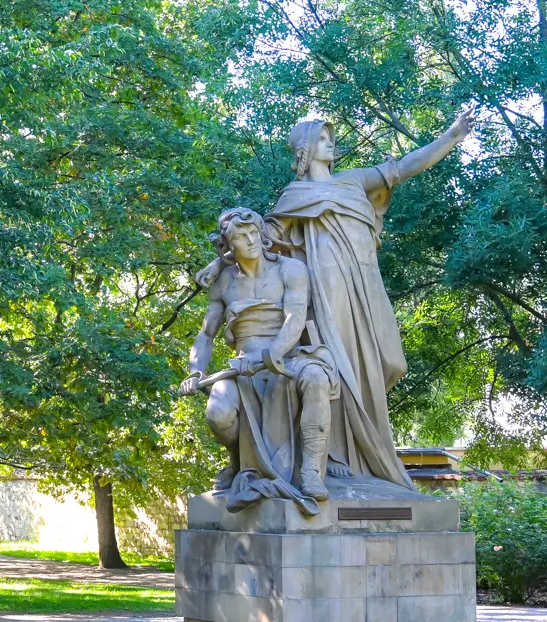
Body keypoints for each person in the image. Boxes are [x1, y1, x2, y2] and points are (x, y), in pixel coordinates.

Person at [196, 112, 476, 491]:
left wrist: (451, 137)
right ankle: (336, 458)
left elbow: (406, 165)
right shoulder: (293, 197)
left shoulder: (354, 180)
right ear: (307, 149)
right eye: (324, 139)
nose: (332, 144)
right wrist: (219, 262)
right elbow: (254, 242)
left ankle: (362, 454)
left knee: (387, 361)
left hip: (365, 284)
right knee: (338, 369)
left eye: (332, 137)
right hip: (326, 294)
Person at [180, 208, 337, 515]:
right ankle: (239, 462)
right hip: (242, 367)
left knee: (317, 378)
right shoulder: (223, 282)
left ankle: (311, 472)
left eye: (254, 233)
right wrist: (195, 369)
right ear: (228, 243)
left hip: (289, 357)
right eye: (241, 236)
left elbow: (294, 319)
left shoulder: (290, 270)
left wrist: (268, 356)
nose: (251, 240)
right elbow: (206, 334)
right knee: (218, 413)